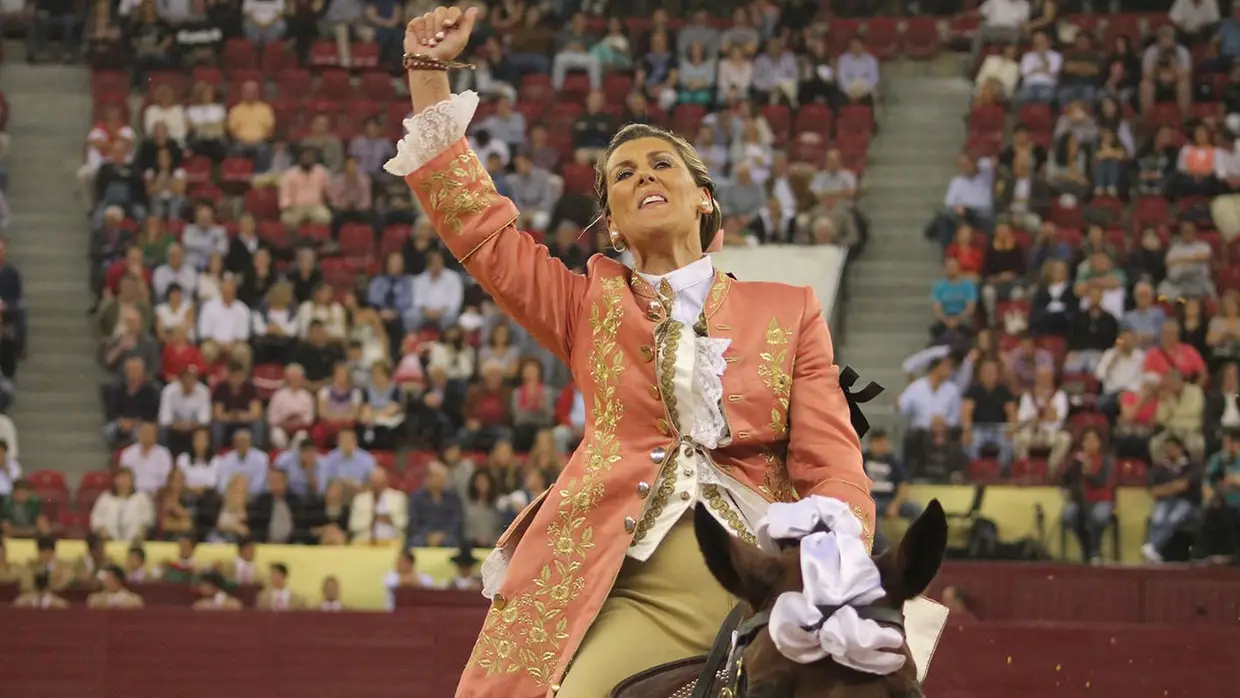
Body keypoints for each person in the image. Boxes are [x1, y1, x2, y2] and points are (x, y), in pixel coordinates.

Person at [390, 8, 898, 698]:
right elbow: (478, 230)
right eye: (621, 175)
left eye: (662, 163)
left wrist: (836, 559)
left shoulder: (790, 310)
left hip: (766, 581)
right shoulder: (584, 305)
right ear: (612, 224)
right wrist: (428, 74)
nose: (641, 176)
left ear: (704, 200)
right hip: (631, 580)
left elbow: (832, 460)